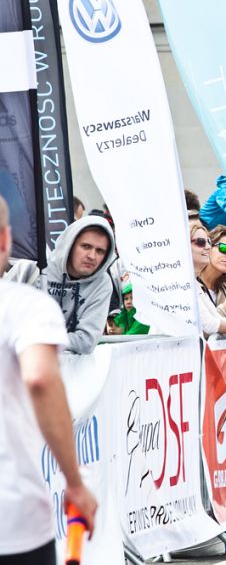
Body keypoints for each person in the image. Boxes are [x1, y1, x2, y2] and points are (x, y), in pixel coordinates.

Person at [0, 195, 99, 564]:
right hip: (12, 518)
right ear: (6, 240)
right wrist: (74, 481)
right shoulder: (25, 305)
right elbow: (40, 378)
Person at [5, 216, 115, 355]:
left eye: (100, 251)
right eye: (86, 246)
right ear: (70, 245)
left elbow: (86, 341)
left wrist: (38, 339)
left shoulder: (102, 284)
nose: (92, 256)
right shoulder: (31, 267)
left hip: (64, 372)